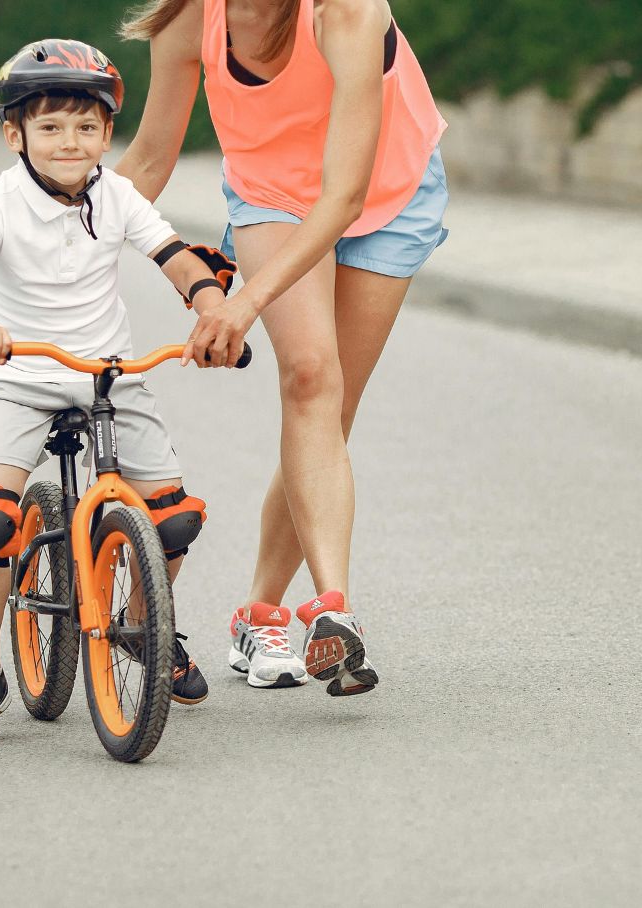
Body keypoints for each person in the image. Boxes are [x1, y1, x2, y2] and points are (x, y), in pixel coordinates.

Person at [115, 0, 449, 697]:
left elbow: (345, 196)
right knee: (309, 378)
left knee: (334, 409)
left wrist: (244, 299)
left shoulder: (348, 13)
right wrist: (48, 247)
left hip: (382, 194)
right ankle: (335, 608)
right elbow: (149, 157)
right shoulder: (191, 22)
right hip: (271, 193)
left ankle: (259, 610)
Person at [0, 38, 239, 747]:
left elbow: (179, 259)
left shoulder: (117, 195)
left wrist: (213, 310)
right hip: (19, 375)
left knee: (174, 516)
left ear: (106, 134)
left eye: (87, 128)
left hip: (109, 373)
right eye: (51, 127)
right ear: (15, 134)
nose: (71, 142)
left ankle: (138, 619)